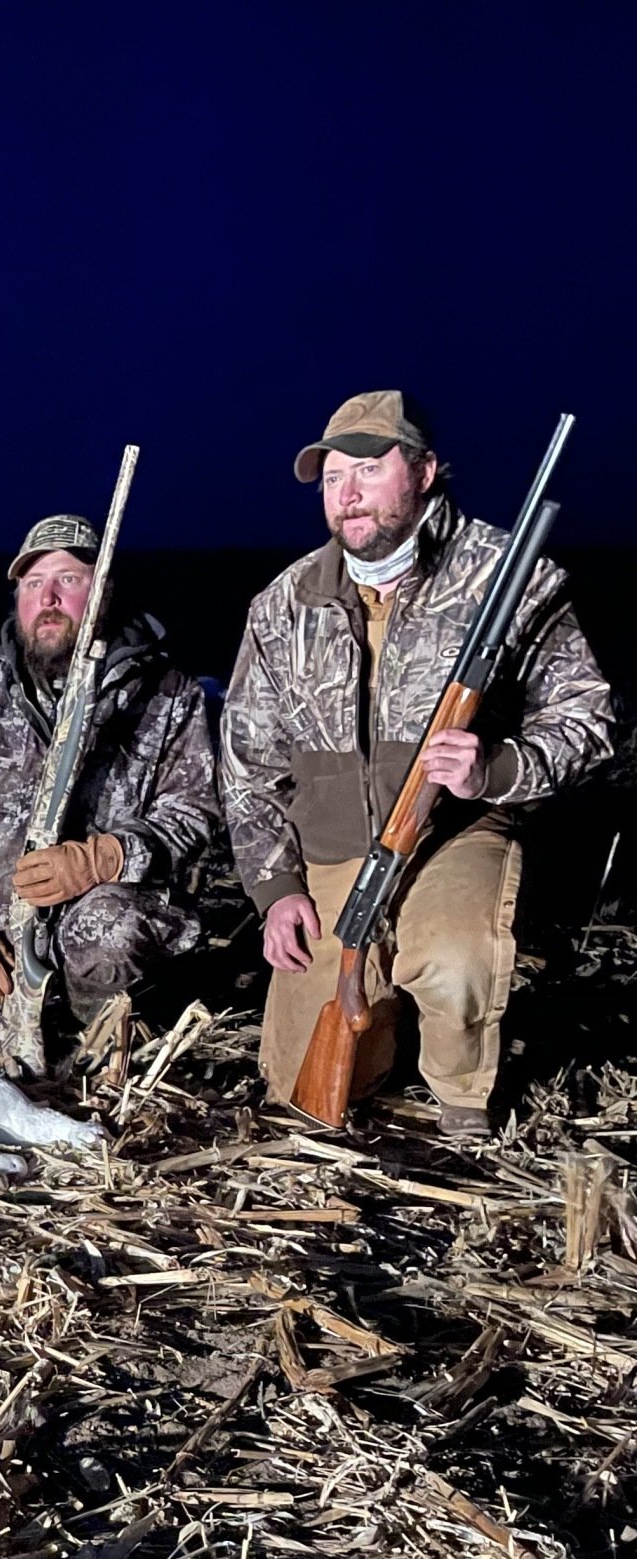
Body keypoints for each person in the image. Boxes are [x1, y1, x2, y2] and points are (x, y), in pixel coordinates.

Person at [221, 390, 618, 1136]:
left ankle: (460, 1097)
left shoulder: (508, 574)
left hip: (455, 830)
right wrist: (275, 890)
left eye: (370, 470)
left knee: (452, 959)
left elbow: (590, 718)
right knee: (302, 1089)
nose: (348, 493)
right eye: (333, 477)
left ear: (426, 472)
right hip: (333, 850)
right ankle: (379, 1037)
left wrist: (497, 768)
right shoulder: (282, 603)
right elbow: (249, 765)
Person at [0, 514, 222, 1088]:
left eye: (69, 579)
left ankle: (108, 1057)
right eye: (33, 584)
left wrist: (104, 859)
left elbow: (194, 813)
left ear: (104, 590)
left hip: (110, 915)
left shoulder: (166, 695)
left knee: (108, 932)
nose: (49, 598)